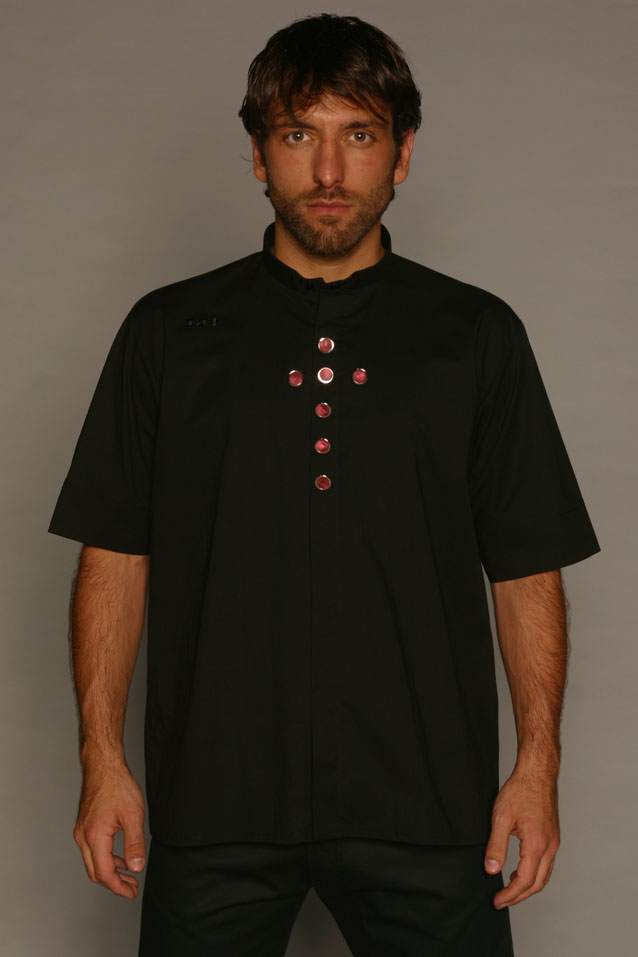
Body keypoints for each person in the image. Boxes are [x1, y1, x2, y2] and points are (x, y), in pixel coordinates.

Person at [48, 13, 601, 957]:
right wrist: (103, 761)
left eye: (361, 134)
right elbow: (116, 555)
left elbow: (524, 567)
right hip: (214, 804)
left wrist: (537, 768)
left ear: (404, 153)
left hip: (429, 806)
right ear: (259, 154)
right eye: (300, 134)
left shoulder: (475, 335)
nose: (331, 171)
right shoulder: (168, 333)